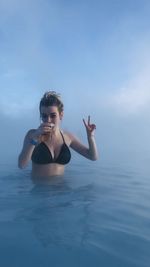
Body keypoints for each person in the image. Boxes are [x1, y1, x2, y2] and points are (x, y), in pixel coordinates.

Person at [18, 91, 98, 178]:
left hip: (62, 189)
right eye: (44, 116)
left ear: (61, 115)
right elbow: (22, 165)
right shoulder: (32, 135)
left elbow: (92, 157)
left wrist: (90, 137)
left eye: (53, 116)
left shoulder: (68, 137)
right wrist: (34, 139)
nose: (48, 120)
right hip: (39, 190)